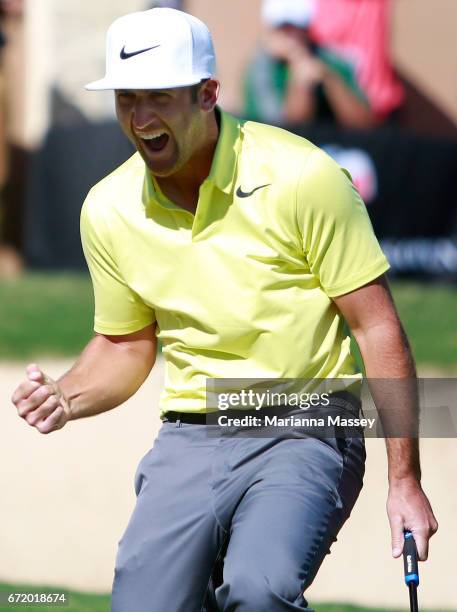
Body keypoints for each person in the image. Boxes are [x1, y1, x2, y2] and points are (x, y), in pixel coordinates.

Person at [11, 8, 437, 611]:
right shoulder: (107, 208)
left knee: (259, 591)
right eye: (126, 99)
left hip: (309, 426)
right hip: (193, 434)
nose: (140, 118)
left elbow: (377, 326)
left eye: (159, 97)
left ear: (208, 94)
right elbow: (125, 343)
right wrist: (67, 394)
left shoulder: (301, 177)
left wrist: (405, 481)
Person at [244, 0, 377, 128]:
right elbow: (285, 131)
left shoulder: (330, 61)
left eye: (296, 28)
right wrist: (300, 80)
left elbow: (363, 124)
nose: (290, 36)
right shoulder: (261, 70)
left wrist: (330, 80)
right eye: (283, 28)